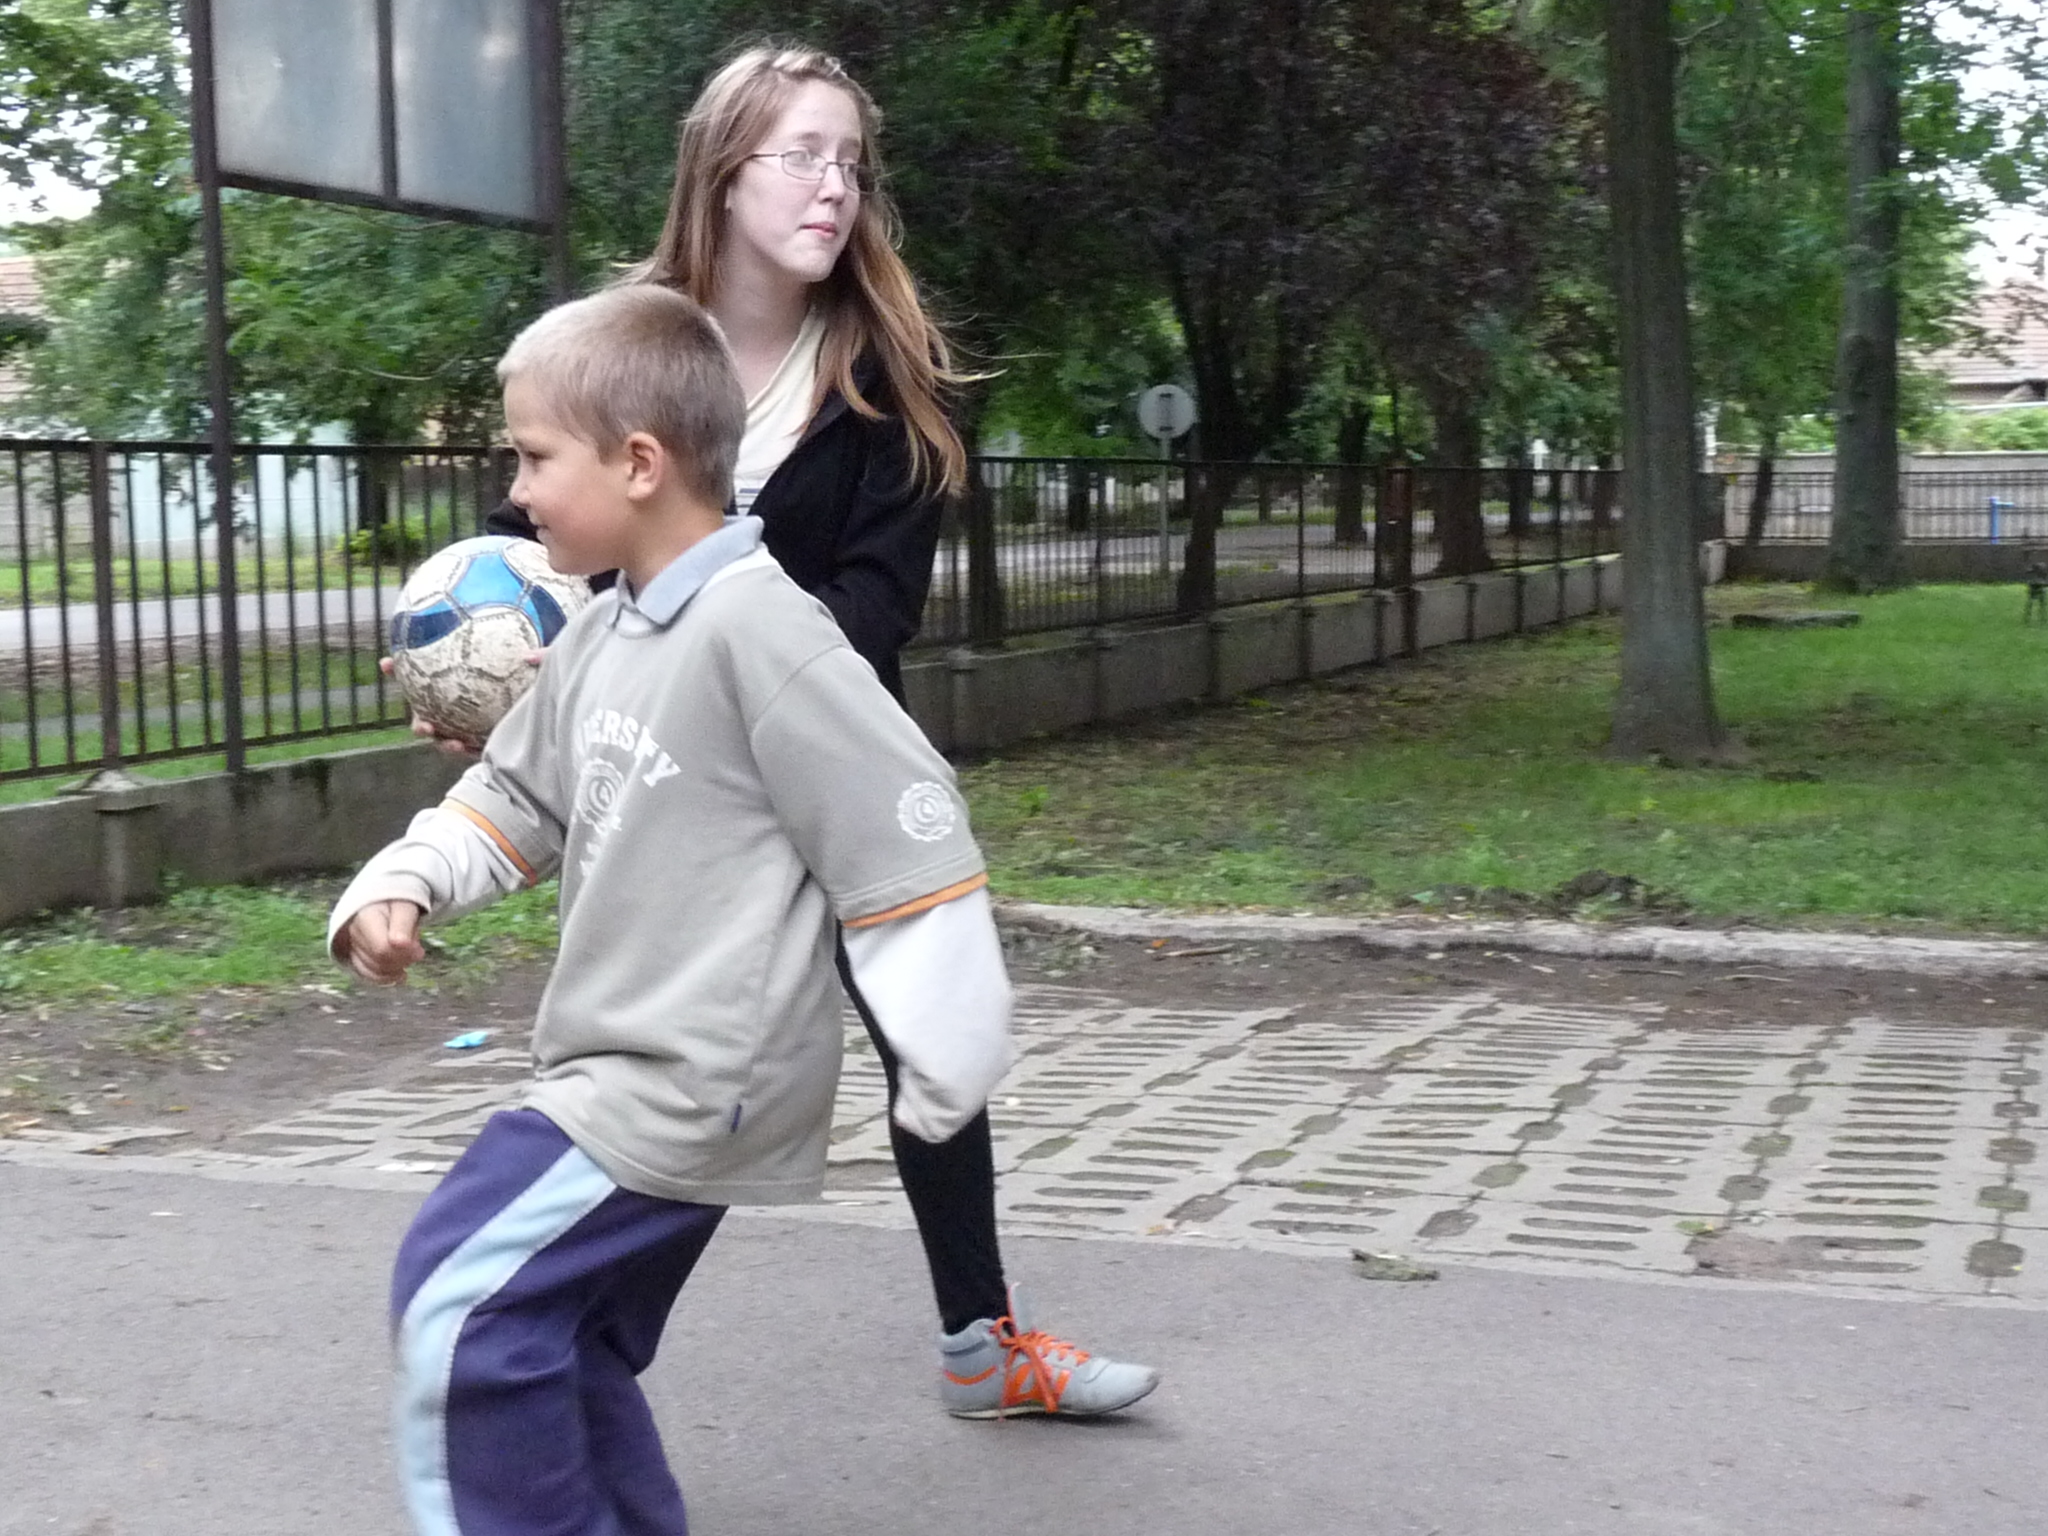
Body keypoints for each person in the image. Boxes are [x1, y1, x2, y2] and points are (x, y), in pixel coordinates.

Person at [471, 43, 1158, 1418]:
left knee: (920, 1045)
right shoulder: (625, 352)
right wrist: (498, 684)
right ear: (723, 174)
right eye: (801, 155)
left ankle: (983, 1349)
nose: (833, 186)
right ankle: (560, 1340)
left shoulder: (889, 384)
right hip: (669, 789)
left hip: (825, 783)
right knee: (681, 1060)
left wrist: (703, 625)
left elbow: (872, 612)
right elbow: (536, 549)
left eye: (850, 162)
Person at [333, 284, 1020, 1532]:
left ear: (639, 464)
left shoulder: (766, 633)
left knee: (459, 1299)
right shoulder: (606, 632)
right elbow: (516, 795)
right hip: (619, 1058)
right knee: (564, 1339)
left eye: (535, 457)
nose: (517, 494)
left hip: (691, 1074)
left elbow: (909, 832)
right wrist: (407, 878)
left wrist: (947, 1048)